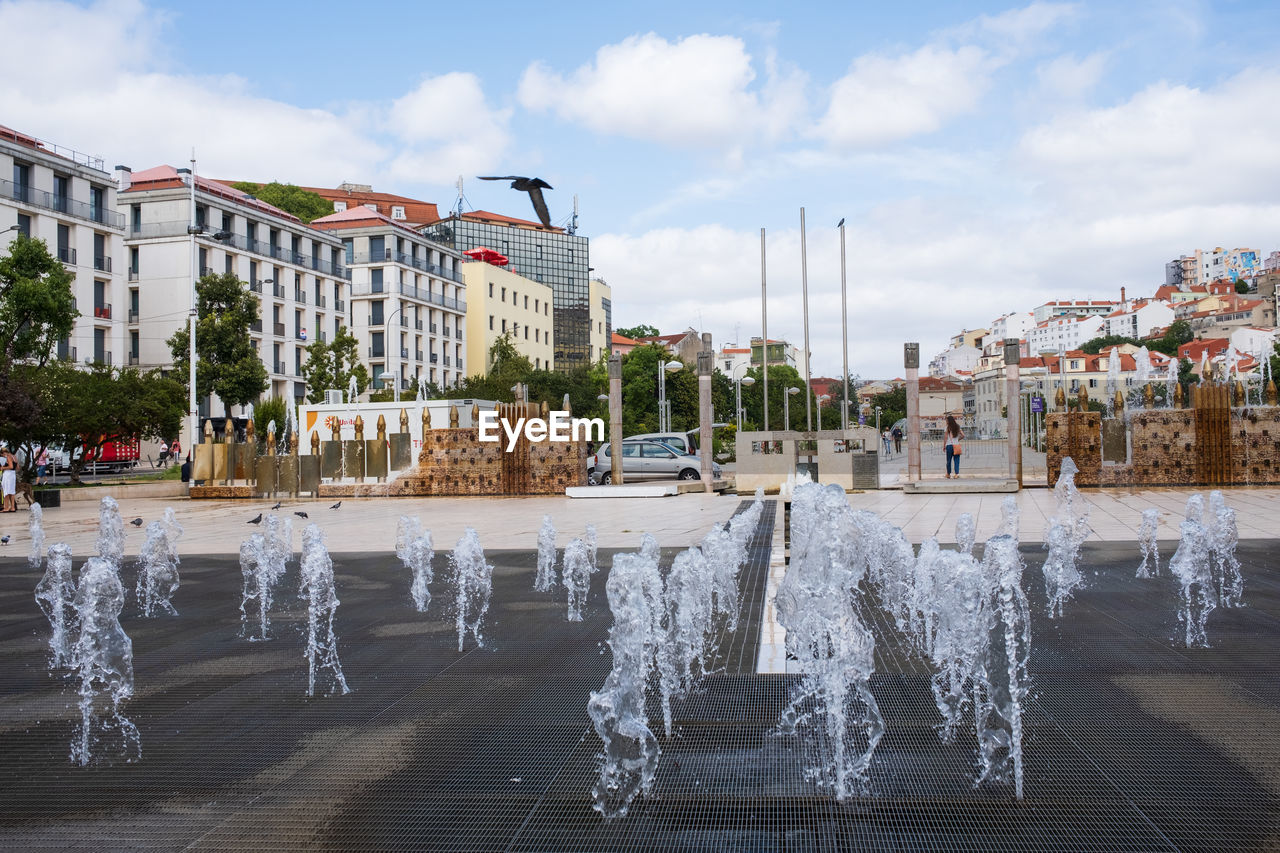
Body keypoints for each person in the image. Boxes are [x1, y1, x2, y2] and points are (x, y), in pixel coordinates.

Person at [944, 414, 965, 479]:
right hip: (956, 445)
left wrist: (944, 446)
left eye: (947, 420)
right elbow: (963, 435)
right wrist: (957, 439)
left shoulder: (947, 427)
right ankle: (956, 474)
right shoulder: (957, 426)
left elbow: (945, 438)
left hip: (949, 446)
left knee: (948, 461)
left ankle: (948, 474)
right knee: (956, 460)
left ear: (949, 421)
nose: (946, 421)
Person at [0, 443, 16, 512]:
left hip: (8, 475)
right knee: (11, 491)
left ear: (4, 452)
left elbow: (11, 466)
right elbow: (16, 467)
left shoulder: (8, 457)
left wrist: (3, 468)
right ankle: (12, 507)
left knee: (6, 491)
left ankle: (6, 507)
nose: (2, 456)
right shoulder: (14, 456)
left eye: (2, 454)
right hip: (13, 474)